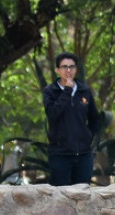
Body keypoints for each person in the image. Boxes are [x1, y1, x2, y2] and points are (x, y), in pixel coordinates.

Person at [43, 52, 102, 186]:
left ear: (76, 69)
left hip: (83, 155)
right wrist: (67, 91)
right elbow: (52, 114)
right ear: (57, 70)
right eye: (64, 67)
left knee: (82, 196)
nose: (68, 70)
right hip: (59, 155)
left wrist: (87, 137)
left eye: (71, 67)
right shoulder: (50, 91)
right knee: (60, 196)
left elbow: (95, 119)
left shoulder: (84, 91)